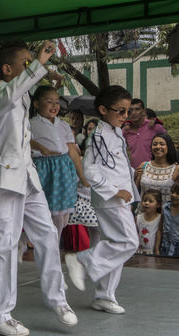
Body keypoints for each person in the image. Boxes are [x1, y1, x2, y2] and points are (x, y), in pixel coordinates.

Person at [0, 40, 77, 336]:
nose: (32, 66)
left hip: (26, 177)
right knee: (5, 244)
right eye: (25, 63)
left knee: (48, 235)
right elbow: (9, 98)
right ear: (7, 69)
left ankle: (58, 300)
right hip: (3, 179)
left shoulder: (19, 97)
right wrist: (39, 64)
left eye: (31, 63)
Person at [66, 85, 140, 315]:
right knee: (128, 242)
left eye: (127, 111)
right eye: (120, 111)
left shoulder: (114, 131)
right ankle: (83, 260)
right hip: (111, 199)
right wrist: (114, 190)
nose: (125, 117)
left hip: (121, 197)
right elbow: (90, 170)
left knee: (116, 243)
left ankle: (104, 295)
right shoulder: (98, 136)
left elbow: (115, 165)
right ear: (103, 110)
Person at [29, 85, 89, 242]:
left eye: (57, 102)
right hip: (43, 170)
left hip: (63, 170)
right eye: (49, 101)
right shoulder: (31, 124)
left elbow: (72, 152)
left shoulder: (63, 126)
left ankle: (55, 244)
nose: (55, 106)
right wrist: (40, 148)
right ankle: (38, 242)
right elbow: (24, 142)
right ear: (36, 104)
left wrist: (81, 176)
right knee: (46, 211)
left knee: (63, 215)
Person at [134, 133, 179, 208]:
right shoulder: (144, 165)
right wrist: (135, 177)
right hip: (143, 214)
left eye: (162, 144)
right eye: (155, 144)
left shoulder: (176, 169)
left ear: (169, 147)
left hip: (166, 216)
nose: (158, 147)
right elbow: (135, 190)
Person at [123, 98, 166, 169]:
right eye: (130, 110)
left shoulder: (155, 127)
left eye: (137, 109)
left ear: (143, 111)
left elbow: (168, 146)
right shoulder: (125, 131)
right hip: (135, 172)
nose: (133, 113)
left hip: (155, 172)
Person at [135, 189, 162, 255]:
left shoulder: (160, 218)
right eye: (144, 200)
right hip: (139, 252)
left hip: (152, 252)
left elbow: (159, 233)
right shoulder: (138, 218)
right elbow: (135, 234)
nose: (146, 203)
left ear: (158, 204)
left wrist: (157, 249)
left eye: (150, 201)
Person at [159, 182, 179, 256]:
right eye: (172, 192)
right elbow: (160, 229)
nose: (174, 195)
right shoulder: (165, 208)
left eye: (178, 193)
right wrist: (157, 248)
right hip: (165, 244)